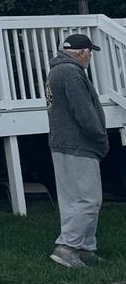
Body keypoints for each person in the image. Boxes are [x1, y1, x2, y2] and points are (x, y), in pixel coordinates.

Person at [46, 33, 108, 267]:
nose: (90, 57)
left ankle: (85, 249)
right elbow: (83, 111)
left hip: (62, 142)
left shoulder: (57, 70)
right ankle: (68, 247)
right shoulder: (71, 72)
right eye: (90, 52)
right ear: (82, 52)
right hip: (79, 143)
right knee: (88, 199)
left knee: (73, 198)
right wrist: (100, 137)